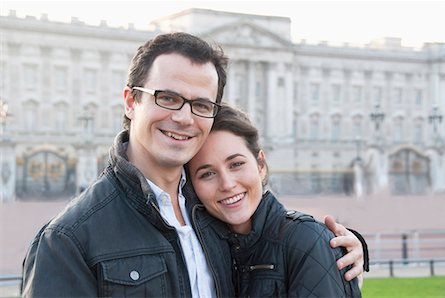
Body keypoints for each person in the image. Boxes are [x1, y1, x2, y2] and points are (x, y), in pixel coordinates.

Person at [21, 32, 365, 297]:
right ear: (130, 101)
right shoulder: (67, 239)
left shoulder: (215, 210)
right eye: (167, 98)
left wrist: (338, 245)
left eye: (201, 105)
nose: (183, 118)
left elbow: (276, 242)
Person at [187, 104, 363, 297]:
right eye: (208, 174)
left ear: (260, 165)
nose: (227, 184)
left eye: (236, 164)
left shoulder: (306, 240)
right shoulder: (203, 248)